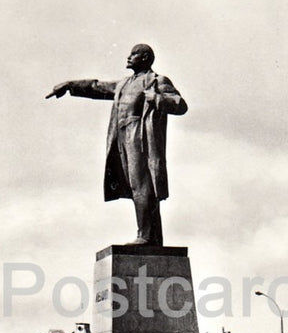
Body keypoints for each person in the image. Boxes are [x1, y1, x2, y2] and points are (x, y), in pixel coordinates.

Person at [46, 43, 187, 246]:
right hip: (121, 138)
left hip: (140, 138)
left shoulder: (156, 81)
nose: (128, 57)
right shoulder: (124, 84)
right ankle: (151, 236)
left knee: (143, 185)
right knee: (135, 186)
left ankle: (145, 236)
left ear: (145, 58)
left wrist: (156, 98)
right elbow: (97, 87)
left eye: (134, 54)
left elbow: (180, 105)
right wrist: (70, 85)